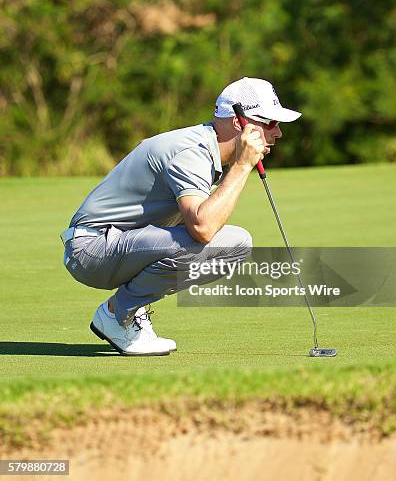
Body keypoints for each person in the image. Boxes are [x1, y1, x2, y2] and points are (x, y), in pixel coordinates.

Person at [60, 77, 301, 356]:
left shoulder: (204, 147)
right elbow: (203, 227)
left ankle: (125, 311)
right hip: (91, 250)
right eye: (270, 123)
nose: (278, 133)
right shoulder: (191, 152)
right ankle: (116, 315)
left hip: (116, 243)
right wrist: (242, 165)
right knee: (230, 242)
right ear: (240, 123)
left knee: (235, 244)